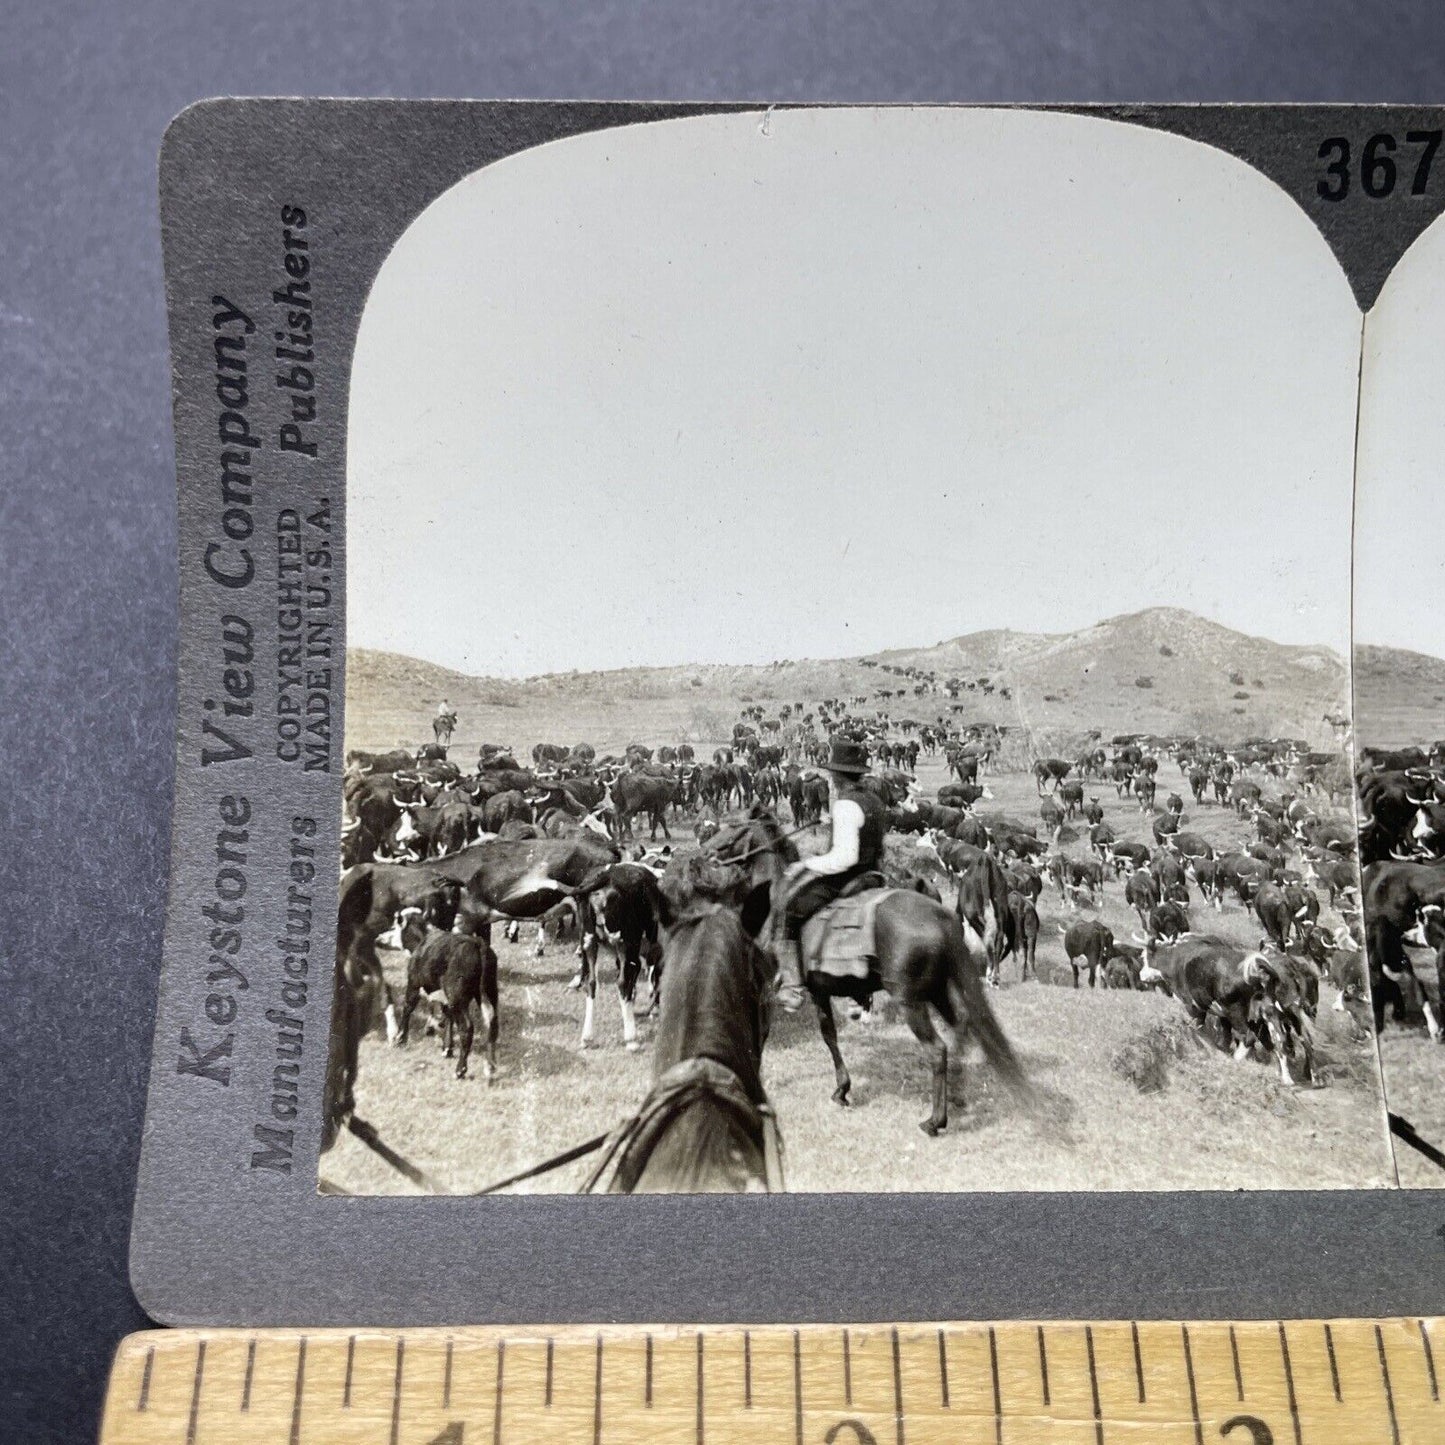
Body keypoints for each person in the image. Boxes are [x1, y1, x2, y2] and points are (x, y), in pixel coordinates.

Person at [773, 737, 886, 1011]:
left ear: (836, 775)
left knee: (791, 908)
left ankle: (792, 987)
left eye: (832, 774)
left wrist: (806, 864)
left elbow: (844, 857)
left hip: (848, 877)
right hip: (874, 874)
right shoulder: (872, 799)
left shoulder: (846, 804)